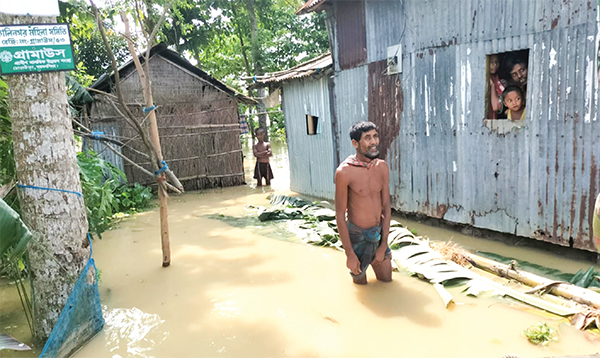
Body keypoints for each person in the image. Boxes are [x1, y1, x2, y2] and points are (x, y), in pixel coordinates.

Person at [334, 121, 392, 285]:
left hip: (378, 233)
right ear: (355, 143)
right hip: (357, 237)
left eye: (375, 136)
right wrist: (350, 254)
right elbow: (339, 215)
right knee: (361, 288)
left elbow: (386, 208)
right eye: (367, 138)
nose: (373, 142)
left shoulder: (382, 167)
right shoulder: (344, 172)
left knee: (387, 282)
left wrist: (383, 244)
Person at [488, 54, 506, 119]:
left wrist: (493, 86)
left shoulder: (497, 80)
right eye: (491, 62)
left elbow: (496, 107)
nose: (495, 65)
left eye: (497, 62)